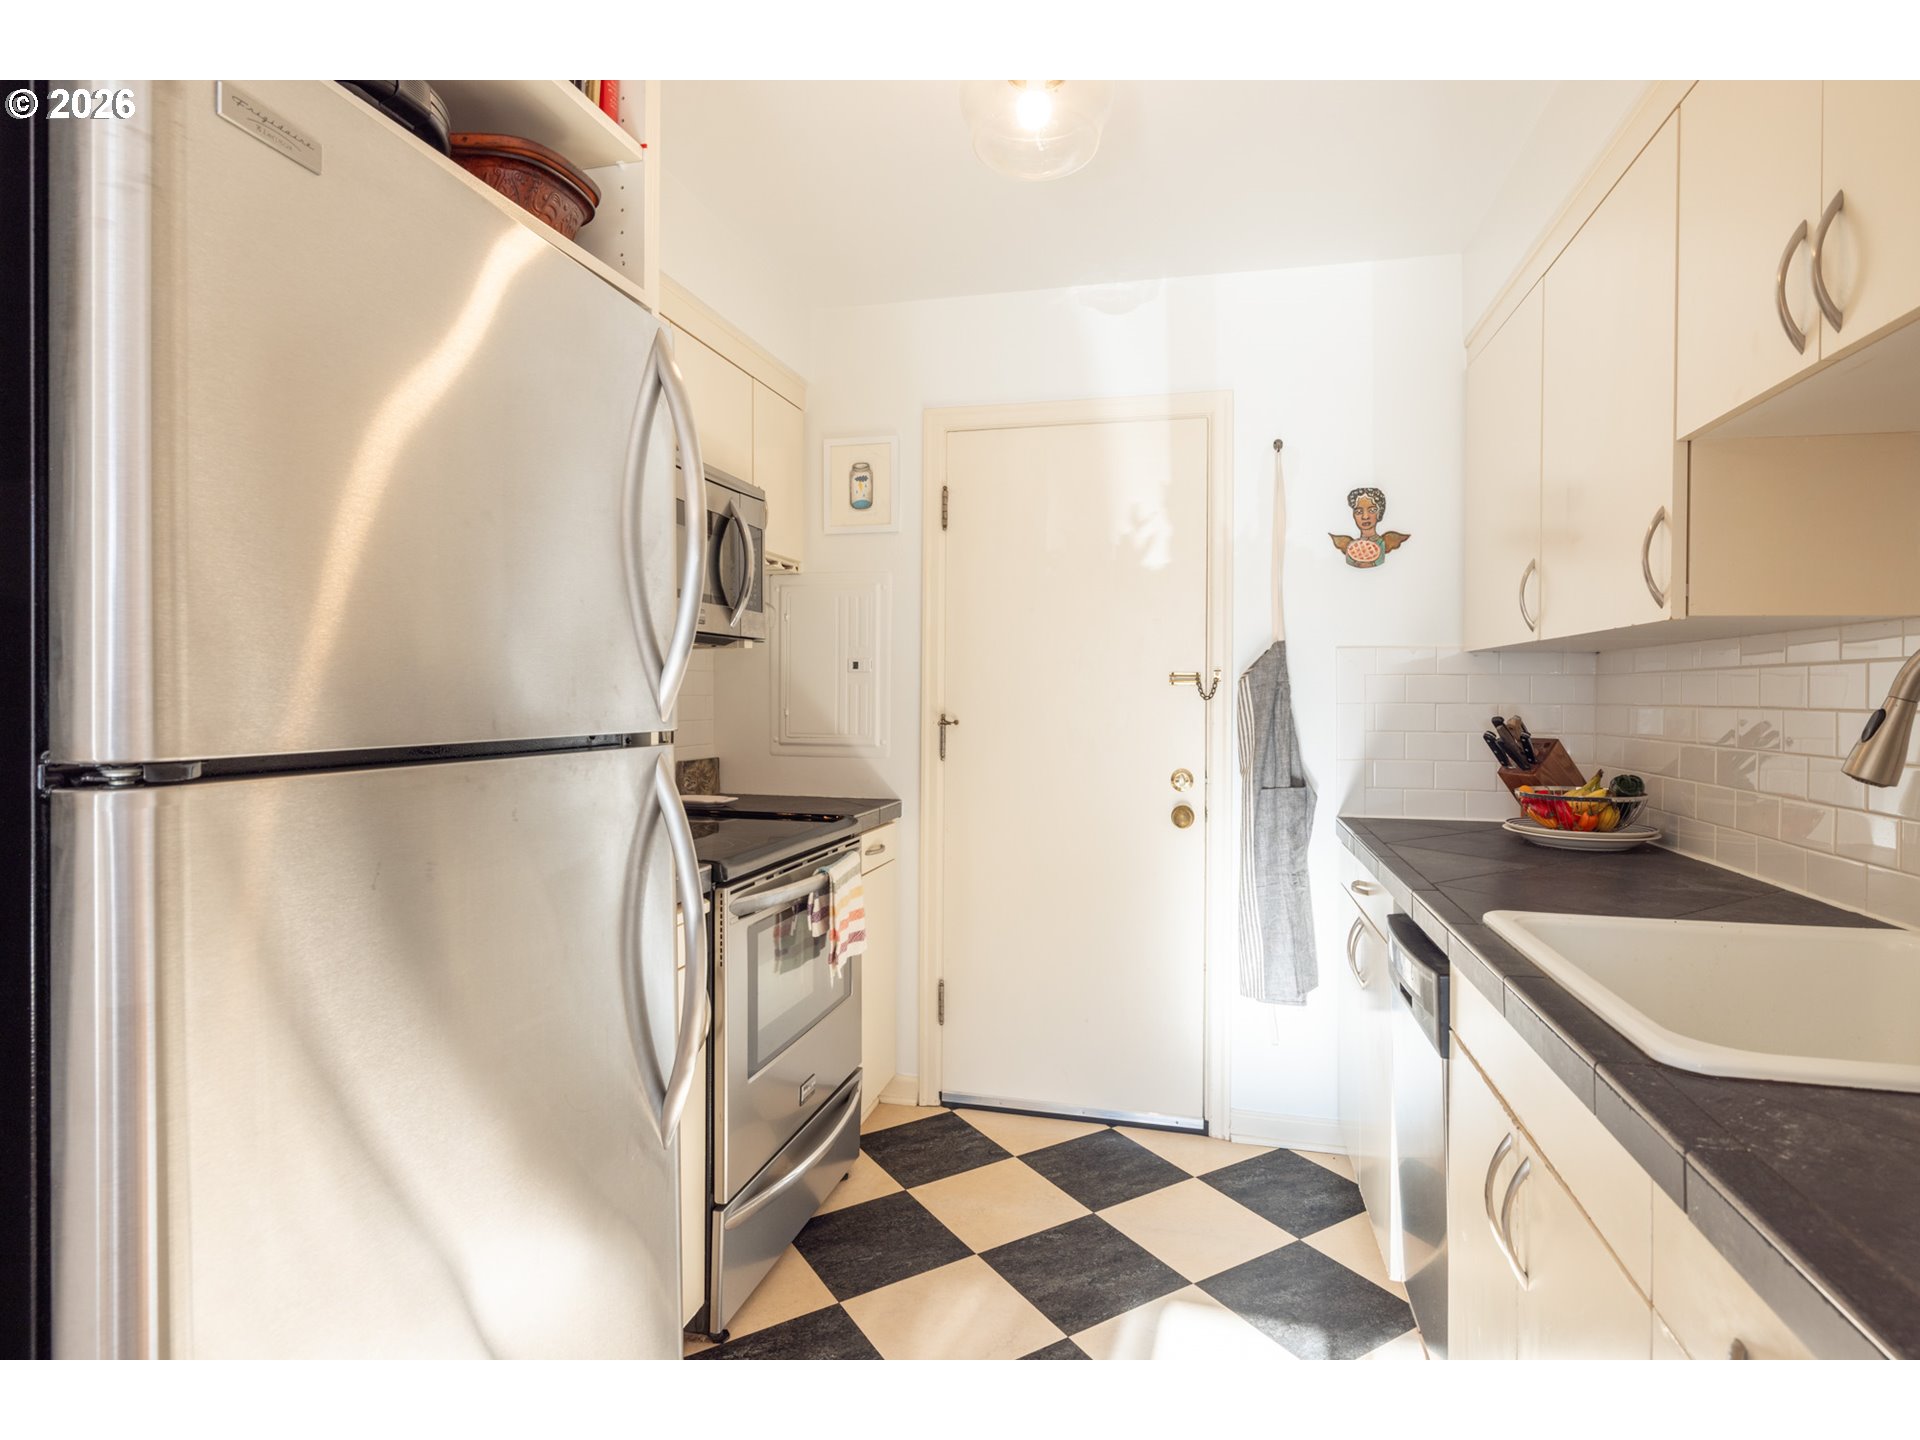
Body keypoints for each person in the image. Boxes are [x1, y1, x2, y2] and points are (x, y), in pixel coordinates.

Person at [1329, 486, 1410, 568]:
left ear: (1380, 513)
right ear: (1353, 515)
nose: (1365, 517)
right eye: (1359, 511)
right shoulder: (1351, 547)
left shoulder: (1382, 544)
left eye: (1372, 510)